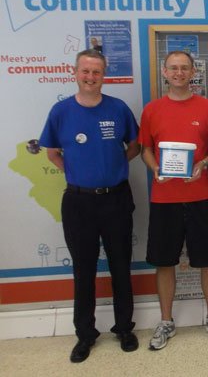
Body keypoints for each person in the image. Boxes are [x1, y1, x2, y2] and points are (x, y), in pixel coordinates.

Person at [39, 49, 140, 363]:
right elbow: (52, 152)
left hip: (116, 198)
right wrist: (77, 172)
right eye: (85, 72)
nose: (90, 77)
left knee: (120, 265)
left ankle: (124, 327)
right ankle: (85, 334)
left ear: (103, 75)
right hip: (78, 202)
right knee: (83, 271)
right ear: (75, 72)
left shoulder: (118, 108)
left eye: (96, 72)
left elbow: (134, 146)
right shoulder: (61, 111)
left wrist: (112, 167)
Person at [139, 50, 208, 349]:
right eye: (173, 68)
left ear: (193, 73)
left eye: (184, 68)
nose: (178, 73)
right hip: (164, 199)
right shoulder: (151, 110)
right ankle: (166, 321)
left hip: (201, 196)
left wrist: (203, 164)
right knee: (164, 262)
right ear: (164, 72)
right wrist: (154, 169)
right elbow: (145, 149)